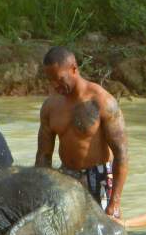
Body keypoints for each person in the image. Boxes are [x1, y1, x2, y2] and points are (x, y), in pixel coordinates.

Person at [36, 46, 129, 218]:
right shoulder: (50, 106)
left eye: (59, 79)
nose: (55, 85)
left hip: (98, 176)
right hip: (66, 176)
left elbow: (121, 154)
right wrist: (41, 191)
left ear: (74, 68)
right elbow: (43, 155)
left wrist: (115, 202)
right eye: (50, 80)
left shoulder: (102, 102)